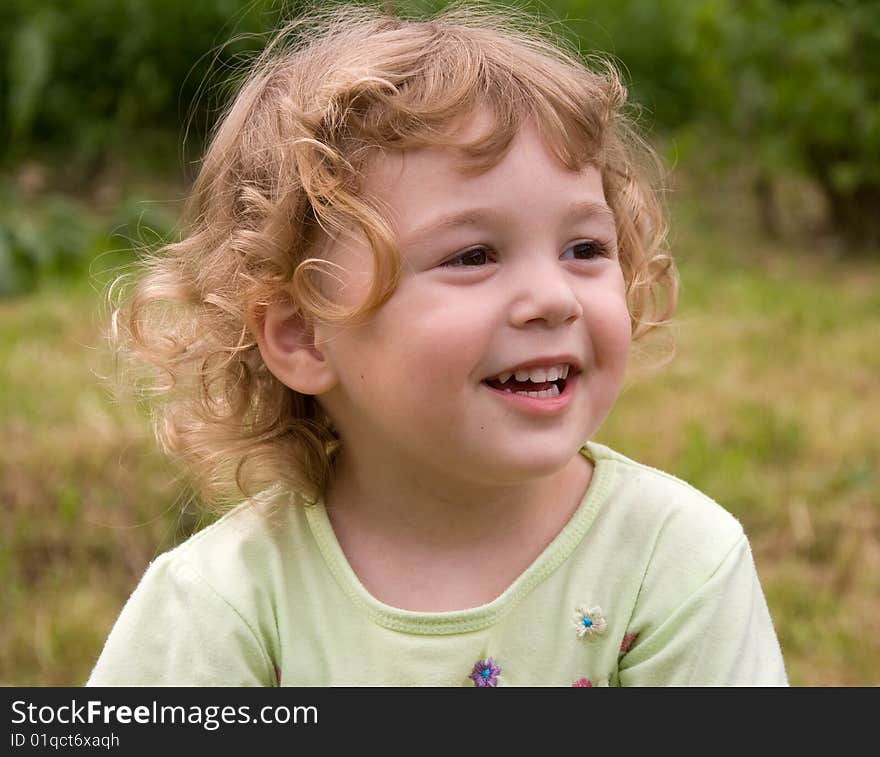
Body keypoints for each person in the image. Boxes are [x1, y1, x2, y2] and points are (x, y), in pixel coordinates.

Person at [87, 1, 787, 686]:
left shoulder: (675, 564)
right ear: (303, 333)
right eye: (474, 255)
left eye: (584, 246)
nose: (553, 297)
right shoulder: (222, 604)